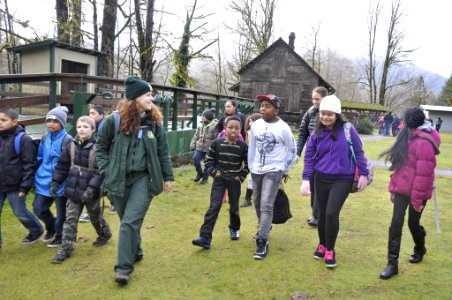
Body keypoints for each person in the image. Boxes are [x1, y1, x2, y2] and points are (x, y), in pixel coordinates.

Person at [96, 76, 174, 286]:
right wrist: (105, 170)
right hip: (117, 180)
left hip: (144, 179)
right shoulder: (113, 122)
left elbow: (163, 153)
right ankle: (136, 250)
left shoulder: (154, 124)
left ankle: (123, 268)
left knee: (130, 221)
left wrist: (168, 177)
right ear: (135, 98)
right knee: (127, 221)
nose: (152, 98)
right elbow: (100, 148)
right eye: (148, 95)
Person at [300, 95, 369, 269]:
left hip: (342, 179)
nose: (325, 117)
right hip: (320, 178)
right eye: (323, 113)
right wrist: (306, 179)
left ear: (337, 115)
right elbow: (309, 157)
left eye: (329, 114)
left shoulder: (348, 129)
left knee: (331, 213)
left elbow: (359, 152)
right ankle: (322, 245)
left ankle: (330, 249)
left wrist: (364, 174)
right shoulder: (316, 132)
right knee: (322, 214)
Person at [379, 107, 440, 280]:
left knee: (413, 224)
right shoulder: (405, 136)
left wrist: (417, 200)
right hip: (402, 189)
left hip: (418, 192)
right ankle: (392, 264)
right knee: (396, 224)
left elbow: (424, 176)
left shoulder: (424, 143)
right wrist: (393, 187)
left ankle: (420, 247)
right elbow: (398, 165)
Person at [51, 116, 112, 264]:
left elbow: (100, 171)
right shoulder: (71, 145)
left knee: (95, 216)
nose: (81, 129)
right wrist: (55, 182)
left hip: (92, 191)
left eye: (85, 127)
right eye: (79, 127)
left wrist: (91, 189)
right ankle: (66, 248)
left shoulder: (98, 147)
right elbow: (62, 166)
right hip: (73, 189)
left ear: (93, 129)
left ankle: (104, 233)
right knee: (70, 219)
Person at [248, 94, 296, 260]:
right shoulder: (256, 126)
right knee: (256, 202)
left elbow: (292, 149)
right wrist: (250, 166)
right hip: (256, 170)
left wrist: (285, 169)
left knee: (267, 204)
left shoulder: (283, 128)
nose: (262, 109)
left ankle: (262, 240)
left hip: (274, 170)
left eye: (267, 106)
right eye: (261, 105)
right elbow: (252, 147)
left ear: (276, 109)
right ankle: (265, 227)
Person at [192, 115, 249, 249]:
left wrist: (240, 177)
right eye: (230, 127)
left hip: (234, 181)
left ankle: (234, 228)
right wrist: (215, 173)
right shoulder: (217, 143)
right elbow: (208, 160)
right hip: (220, 180)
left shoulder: (243, 146)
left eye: (237, 128)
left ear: (241, 130)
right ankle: (205, 237)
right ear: (225, 128)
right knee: (214, 207)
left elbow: (248, 164)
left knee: (234, 207)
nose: (233, 130)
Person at [0, 108, 43, 250]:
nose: (0, 123)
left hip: (15, 185)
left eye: (3, 120)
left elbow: (29, 165)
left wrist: (25, 187)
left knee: (20, 212)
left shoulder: (23, 140)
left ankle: (36, 230)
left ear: (15, 122)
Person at [33, 106, 72, 248]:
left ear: (62, 123)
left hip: (61, 182)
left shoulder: (68, 140)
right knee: (38, 208)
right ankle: (51, 227)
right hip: (43, 181)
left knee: (61, 213)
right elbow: (39, 157)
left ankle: (60, 236)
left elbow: (70, 163)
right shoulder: (44, 137)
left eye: (54, 121)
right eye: (48, 120)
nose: (50, 124)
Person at [296, 86, 328, 227]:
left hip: (326, 155)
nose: (314, 101)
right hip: (312, 153)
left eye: (317, 99)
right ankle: (315, 213)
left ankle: (319, 215)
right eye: (313, 98)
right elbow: (303, 133)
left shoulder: (329, 113)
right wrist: (298, 152)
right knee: (312, 184)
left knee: (320, 184)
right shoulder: (310, 112)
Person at [79, 104, 114, 223]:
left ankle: (94, 213)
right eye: (89, 113)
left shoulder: (106, 127)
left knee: (100, 186)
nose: (90, 115)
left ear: (101, 115)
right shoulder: (90, 128)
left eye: (93, 113)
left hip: (104, 161)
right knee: (99, 186)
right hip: (95, 161)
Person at [190, 109, 218, 185]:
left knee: (207, 164)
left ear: (208, 117)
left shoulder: (215, 125)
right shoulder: (201, 125)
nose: (202, 118)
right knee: (196, 159)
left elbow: (216, 138)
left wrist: (214, 148)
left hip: (209, 149)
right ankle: (199, 173)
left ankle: (205, 178)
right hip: (199, 147)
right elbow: (196, 135)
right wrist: (193, 144)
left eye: (204, 116)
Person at [240, 113, 262, 208]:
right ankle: (247, 199)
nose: (250, 123)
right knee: (251, 179)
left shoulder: (260, 133)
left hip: (260, 159)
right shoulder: (249, 132)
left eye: (252, 121)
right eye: (249, 121)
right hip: (251, 159)